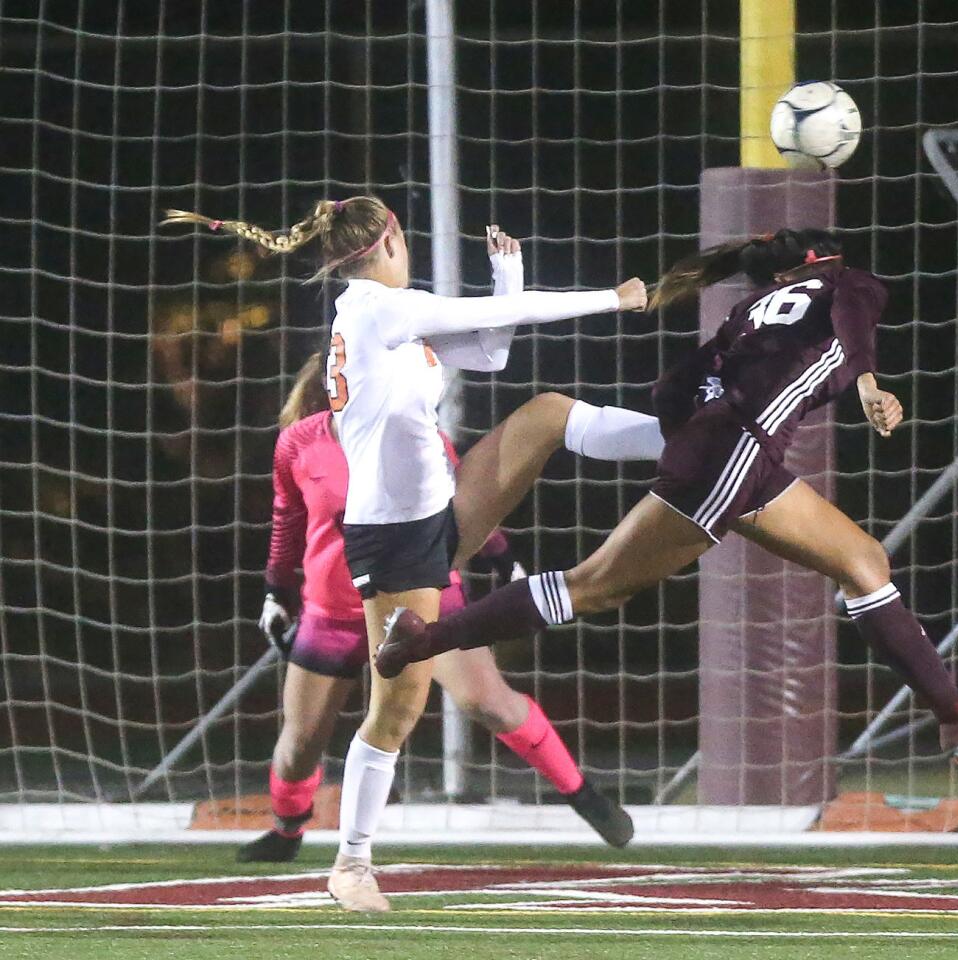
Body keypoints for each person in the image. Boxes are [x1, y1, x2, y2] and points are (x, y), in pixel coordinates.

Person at [375, 228, 958, 764]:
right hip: (738, 453)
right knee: (595, 587)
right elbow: (852, 331)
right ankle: (423, 636)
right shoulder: (848, 281)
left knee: (863, 561)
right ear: (822, 262)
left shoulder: (746, 311)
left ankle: (956, 716)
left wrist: (695, 435)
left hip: (734, 451)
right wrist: (869, 385)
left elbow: (671, 390)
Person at [162, 198, 656, 912]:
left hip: (435, 516)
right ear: (390, 237)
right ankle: (351, 864)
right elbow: (502, 324)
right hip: (396, 536)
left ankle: (684, 446)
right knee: (397, 707)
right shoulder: (376, 310)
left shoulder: (383, 320)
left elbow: (492, 351)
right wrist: (614, 298)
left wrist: (505, 276)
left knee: (547, 413)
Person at [236, 353, 632, 864]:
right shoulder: (300, 442)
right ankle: (287, 832)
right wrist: (275, 590)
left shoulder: (415, 434)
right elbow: (287, 516)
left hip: (421, 597)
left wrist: (503, 560)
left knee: (488, 700)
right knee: (300, 743)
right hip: (333, 610)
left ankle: (585, 796)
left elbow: (462, 505)